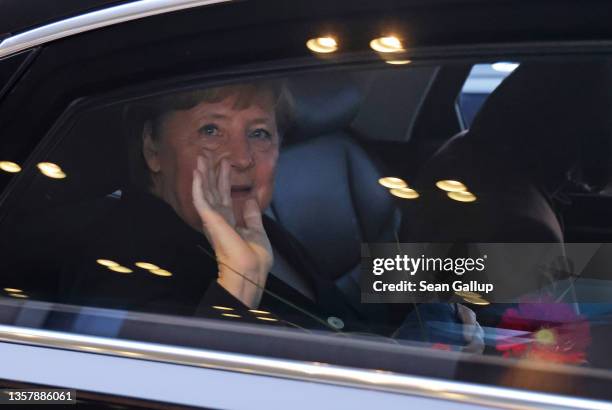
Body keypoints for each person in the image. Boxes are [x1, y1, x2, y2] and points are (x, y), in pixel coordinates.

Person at [3, 79, 483, 348]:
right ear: (152, 148)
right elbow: (156, 389)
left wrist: (531, 273)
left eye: (259, 133)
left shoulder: (245, 222)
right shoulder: (118, 264)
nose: (242, 157)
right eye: (212, 130)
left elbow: (338, 306)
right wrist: (237, 287)